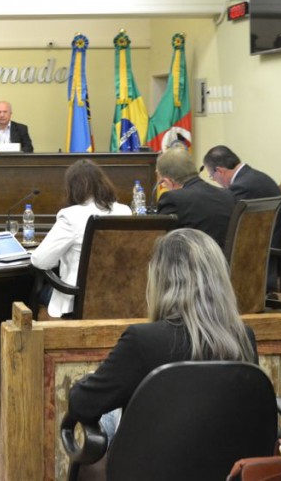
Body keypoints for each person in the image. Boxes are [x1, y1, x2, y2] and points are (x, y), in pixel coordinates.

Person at [66, 228, 257, 445]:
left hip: (147, 463)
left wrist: (90, 379)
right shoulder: (243, 338)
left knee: (107, 413)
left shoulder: (141, 341)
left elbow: (82, 405)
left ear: (160, 281)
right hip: (228, 464)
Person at [29, 159, 132, 318]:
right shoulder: (124, 211)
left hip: (77, 301)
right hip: (118, 298)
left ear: (72, 188)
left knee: (34, 291)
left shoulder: (71, 216)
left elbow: (40, 261)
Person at [202, 144, 281, 244]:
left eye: (212, 176)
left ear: (220, 171)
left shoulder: (242, 186)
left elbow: (230, 221)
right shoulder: (251, 176)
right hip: (273, 237)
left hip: (266, 245)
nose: (215, 180)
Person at [155, 147, 236, 249]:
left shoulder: (172, 199)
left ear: (168, 181)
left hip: (189, 259)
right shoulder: (228, 195)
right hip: (223, 259)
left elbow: (161, 242)